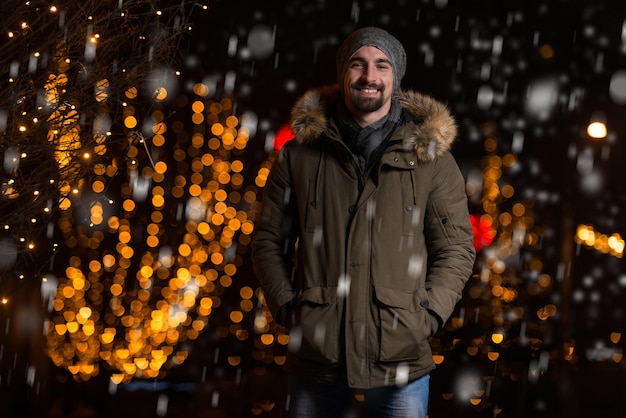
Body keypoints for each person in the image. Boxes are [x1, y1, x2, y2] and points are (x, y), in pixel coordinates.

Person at [252, 26, 476, 418]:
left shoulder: (431, 160)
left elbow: (456, 247)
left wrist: (428, 316)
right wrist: (290, 309)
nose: (369, 76)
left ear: (395, 77)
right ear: (343, 74)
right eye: (358, 63)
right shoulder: (298, 157)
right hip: (317, 359)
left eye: (381, 65)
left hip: (400, 359)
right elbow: (269, 240)